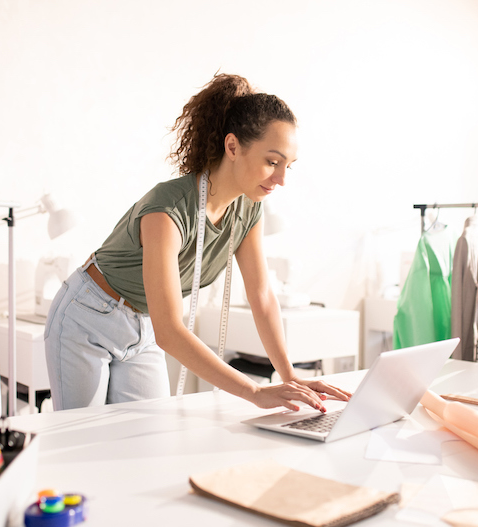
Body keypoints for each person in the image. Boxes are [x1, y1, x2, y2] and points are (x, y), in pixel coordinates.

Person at [44, 73, 350, 412]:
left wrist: (289, 375)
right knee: (82, 446)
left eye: (288, 166)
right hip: (88, 315)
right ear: (232, 147)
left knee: (150, 444)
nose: (281, 179)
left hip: (142, 326)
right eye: (272, 162)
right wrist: (254, 392)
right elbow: (171, 329)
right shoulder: (168, 209)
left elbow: (262, 297)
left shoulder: (249, 209)